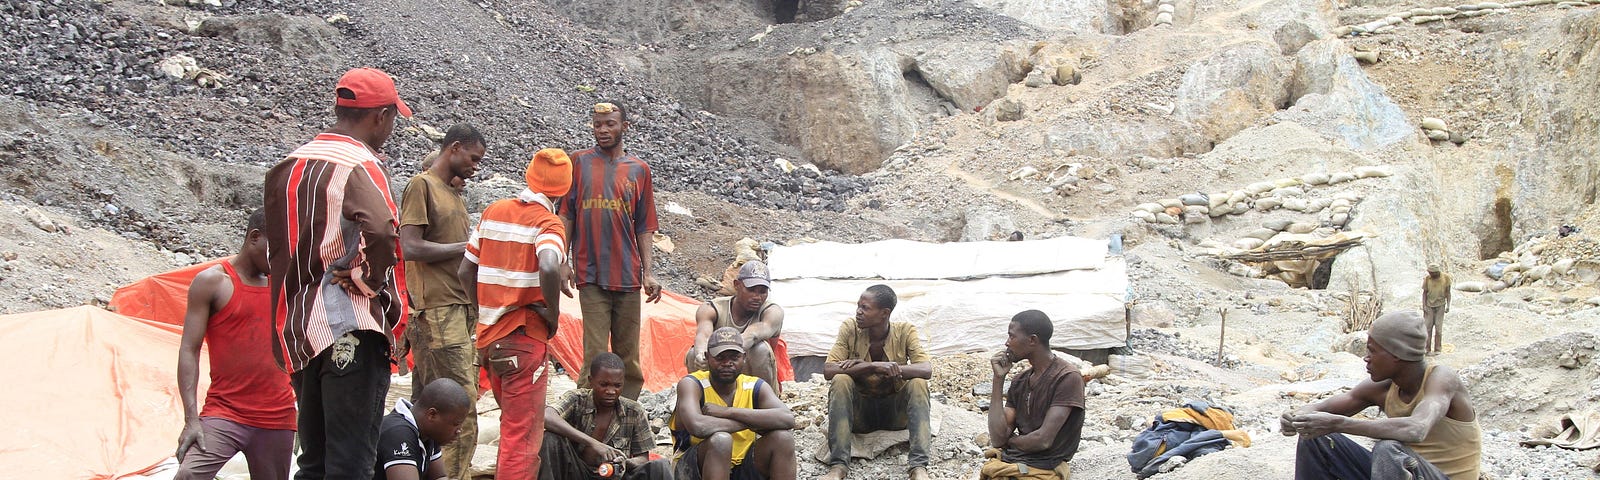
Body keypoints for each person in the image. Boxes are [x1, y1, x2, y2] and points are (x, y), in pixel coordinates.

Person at [263, 66, 411, 479]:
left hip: (298, 327)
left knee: (313, 459)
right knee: (350, 461)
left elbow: (276, 248)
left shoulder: (290, 165)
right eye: (393, 118)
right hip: (351, 327)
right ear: (381, 116)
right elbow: (381, 228)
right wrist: (371, 279)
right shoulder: (360, 164)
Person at [459, 148, 572, 479]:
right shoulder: (548, 222)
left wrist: (485, 311)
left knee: (511, 425)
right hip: (525, 338)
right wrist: (552, 315)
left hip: (491, 340)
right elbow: (550, 265)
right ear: (563, 189)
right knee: (520, 441)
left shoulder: (494, 211)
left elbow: (466, 271)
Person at [1282, 310, 1482, 480]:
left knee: (1388, 450)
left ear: (1396, 354)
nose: (1366, 358)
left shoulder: (1441, 379)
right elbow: (1324, 409)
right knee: (1317, 438)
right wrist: (1298, 416)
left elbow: (1417, 428)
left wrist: (1338, 423)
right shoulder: (1384, 387)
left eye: (1372, 350)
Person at [174, 209, 296, 480]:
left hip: (277, 416)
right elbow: (188, 350)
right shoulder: (213, 282)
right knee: (188, 475)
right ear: (254, 238)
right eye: (275, 248)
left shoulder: (285, 285)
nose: (280, 257)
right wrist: (191, 419)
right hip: (224, 411)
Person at [398, 123, 485, 478]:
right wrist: (467, 249)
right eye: (473, 158)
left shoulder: (453, 195)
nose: (476, 166)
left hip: (457, 311)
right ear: (455, 148)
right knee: (458, 414)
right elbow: (410, 246)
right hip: (438, 314)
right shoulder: (422, 186)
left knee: (428, 413)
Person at [561, 100, 661, 400]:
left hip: (628, 275)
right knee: (594, 352)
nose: (602, 130)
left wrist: (649, 272)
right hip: (590, 275)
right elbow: (565, 213)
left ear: (624, 127)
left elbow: (645, 225)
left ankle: (627, 415)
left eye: (610, 124)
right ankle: (585, 412)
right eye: (597, 124)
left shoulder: (639, 170)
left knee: (628, 355)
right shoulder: (577, 163)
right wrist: (563, 260)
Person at [818, 285, 932, 480]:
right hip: (859, 416)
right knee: (841, 379)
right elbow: (829, 370)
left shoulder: (905, 331)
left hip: (896, 415)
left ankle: (918, 467)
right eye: (858, 306)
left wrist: (892, 369)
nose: (858, 312)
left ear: (884, 313)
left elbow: (926, 369)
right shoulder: (850, 328)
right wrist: (873, 366)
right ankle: (838, 466)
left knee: (918, 383)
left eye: (865, 307)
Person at [670, 327, 797, 480]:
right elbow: (698, 426)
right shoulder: (693, 384)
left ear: (744, 358)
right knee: (721, 441)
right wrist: (757, 421)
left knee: (783, 439)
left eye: (734, 357)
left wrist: (727, 411)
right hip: (695, 468)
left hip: (742, 465)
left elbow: (787, 419)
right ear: (707, 357)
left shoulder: (754, 386)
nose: (727, 363)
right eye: (720, 358)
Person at [982, 310, 1085, 480]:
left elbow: (1043, 440)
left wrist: (1011, 441)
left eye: (1012, 336)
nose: (1007, 343)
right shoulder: (1020, 381)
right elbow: (998, 438)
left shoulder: (1067, 377)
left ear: (1032, 340)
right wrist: (998, 379)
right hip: (1016, 460)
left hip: (1047, 465)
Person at [541, 352, 672, 480]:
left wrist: (625, 462)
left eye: (617, 385)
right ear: (591, 381)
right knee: (550, 439)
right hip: (576, 472)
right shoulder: (577, 399)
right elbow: (547, 416)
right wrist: (593, 443)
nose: (611, 391)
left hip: (614, 476)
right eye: (604, 385)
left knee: (661, 466)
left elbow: (643, 458)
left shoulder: (634, 411)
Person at [686, 260, 785, 392]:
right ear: (737, 285)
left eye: (762, 291)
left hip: (753, 378)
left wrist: (724, 353)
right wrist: (701, 355)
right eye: (751, 290)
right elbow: (703, 335)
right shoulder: (712, 308)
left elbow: (754, 334)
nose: (757, 297)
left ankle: (763, 405)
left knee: (759, 350)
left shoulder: (772, 311)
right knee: (694, 354)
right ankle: (704, 399)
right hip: (721, 372)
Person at [374, 378, 473, 480]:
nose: (459, 430)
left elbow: (439, 477)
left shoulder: (429, 432)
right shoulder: (398, 433)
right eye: (456, 424)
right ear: (432, 415)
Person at [1421, 264, 1452, 355]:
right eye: (1429, 273)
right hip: (1429, 306)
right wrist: (1424, 306)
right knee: (1427, 328)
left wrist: (1448, 305)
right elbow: (1424, 293)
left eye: (1431, 273)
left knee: (1438, 328)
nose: (1430, 274)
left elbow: (1448, 293)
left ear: (1436, 272)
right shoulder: (1427, 279)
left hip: (1440, 306)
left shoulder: (1446, 278)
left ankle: (1438, 349)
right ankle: (1427, 349)